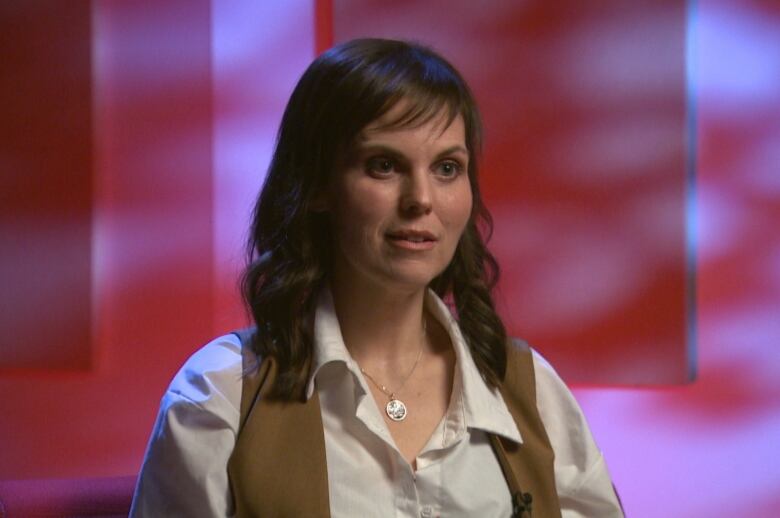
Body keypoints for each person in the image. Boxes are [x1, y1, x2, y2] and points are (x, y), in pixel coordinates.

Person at [130, 38, 624, 517]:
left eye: (448, 168)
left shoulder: (528, 387)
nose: (421, 199)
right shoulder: (221, 395)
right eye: (384, 165)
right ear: (317, 186)